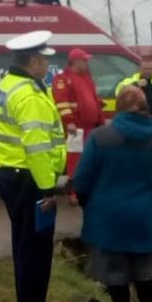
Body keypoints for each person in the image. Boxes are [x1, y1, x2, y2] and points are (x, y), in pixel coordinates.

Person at [74, 85, 152, 302]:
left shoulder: (100, 138)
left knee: (114, 271)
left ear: (118, 108)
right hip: (142, 215)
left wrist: (85, 202)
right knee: (145, 270)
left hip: (108, 215)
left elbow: (82, 179)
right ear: (146, 109)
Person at [0, 30, 67, 302]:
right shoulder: (28, 94)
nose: (47, 66)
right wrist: (48, 188)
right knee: (35, 248)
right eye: (44, 60)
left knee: (23, 245)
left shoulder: (8, 84)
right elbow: (36, 148)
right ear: (33, 60)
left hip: (13, 175)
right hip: (30, 180)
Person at [51, 48, 103, 204]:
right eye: (84, 60)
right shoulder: (63, 79)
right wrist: (70, 121)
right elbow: (61, 102)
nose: (87, 63)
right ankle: (73, 192)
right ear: (75, 61)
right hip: (76, 129)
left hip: (91, 127)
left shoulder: (87, 78)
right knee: (75, 160)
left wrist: (99, 119)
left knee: (90, 159)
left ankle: (88, 188)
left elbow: (94, 100)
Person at [115, 57, 152, 134]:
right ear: (139, 69)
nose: (147, 71)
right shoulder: (131, 81)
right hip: (137, 126)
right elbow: (119, 91)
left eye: (149, 69)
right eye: (144, 69)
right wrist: (135, 85)